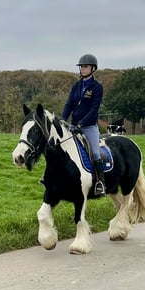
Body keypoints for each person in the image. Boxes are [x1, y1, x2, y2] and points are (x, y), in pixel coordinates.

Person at [62, 53, 105, 196]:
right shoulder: (76, 86)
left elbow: (94, 110)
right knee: (61, 149)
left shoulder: (97, 87)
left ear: (93, 68)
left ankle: (100, 182)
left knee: (95, 152)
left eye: (85, 66)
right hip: (73, 125)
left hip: (89, 126)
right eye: (81, 67)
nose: (82, 69)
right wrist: (63, 120)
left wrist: (80, 124)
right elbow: (69, 104)